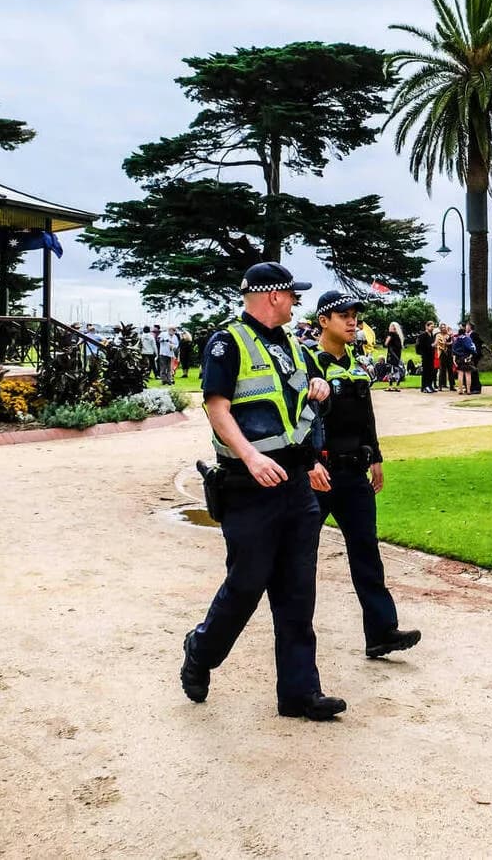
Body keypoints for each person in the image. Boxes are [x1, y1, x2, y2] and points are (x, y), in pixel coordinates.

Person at [180, 261, 344, 720]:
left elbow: (303, 409)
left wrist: (319, 388)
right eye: (292, 295)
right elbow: (217, 409)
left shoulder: (293, 345)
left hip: (295, 485)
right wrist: (251, 457)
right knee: (246, 585)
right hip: (248, 485)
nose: (296, 302)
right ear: (273, 295)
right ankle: (200, 650)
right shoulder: (227, 342)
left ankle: (299, 693)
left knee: (297, 592)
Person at [310, 291, 422, 660]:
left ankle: (381, 632)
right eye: (343, 315)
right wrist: (308, 462)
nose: (352, 321)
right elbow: (298, 420)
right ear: (324, 321)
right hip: (319, 476)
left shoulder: (357, 365)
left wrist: (376, 457)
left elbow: (367, 417)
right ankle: (295, 635)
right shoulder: (308, 363)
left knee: (367, 553)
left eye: (354, 315)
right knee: (299, 556)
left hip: (354, 474)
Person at [449, 325, 476, 396]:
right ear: (464, 333)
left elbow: (454, 349)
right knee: (468, 374)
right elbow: (471, 348)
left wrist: (454, 359)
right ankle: (468, 390)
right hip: (467, 357)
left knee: (460, 374)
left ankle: (460, 390)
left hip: (459, 358)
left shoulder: (457, 340)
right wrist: (472, 354)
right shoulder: (467, 339)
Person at [416, 321, 437, 393]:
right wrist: (433, 344)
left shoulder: (431, 335)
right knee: (426, 372)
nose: (432, 328)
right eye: (431, 326)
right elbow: (423, 346)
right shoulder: (423, 335)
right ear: (427, 326)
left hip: (431, 356)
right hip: (425, 356)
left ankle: (430, 385)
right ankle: (424, 386)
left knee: (431, 371)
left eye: (433, 327)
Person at [384, 322, 405, 391]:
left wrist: (387, 341)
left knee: (389, 370)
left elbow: (386, 343)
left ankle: (390, 386)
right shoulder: (399, 336)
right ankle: (397, 386)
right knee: (397, 370)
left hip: (391, 354)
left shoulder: (391, 334)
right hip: (397, 354)